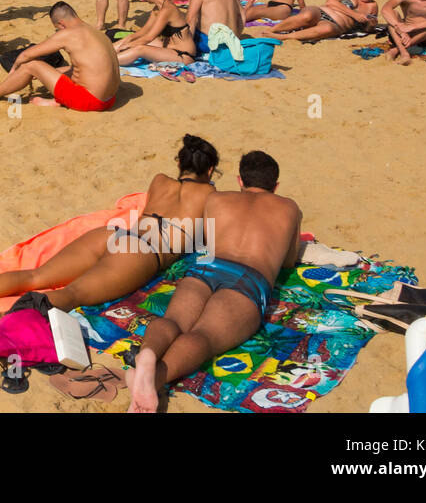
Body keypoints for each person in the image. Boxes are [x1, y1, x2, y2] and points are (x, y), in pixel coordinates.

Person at [0, 134, 219, 323]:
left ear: (179, 162)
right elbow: (211, 245)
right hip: (142, 254)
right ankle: (3, 320)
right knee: (72, 294)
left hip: (114, 236)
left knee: (37, 275)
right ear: (209, 171)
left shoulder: (159, 180)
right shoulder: (212, 197)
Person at [127, 150, 301, 412]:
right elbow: (288, 261)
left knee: (174, 321)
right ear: (275, 186)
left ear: (240, 180)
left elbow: (207, 245)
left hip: (208, 267)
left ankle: (149, 353)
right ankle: (156, 377)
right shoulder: (289, 208)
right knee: (204, 336)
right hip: (248, 279)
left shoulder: (217, 199)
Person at [0, 1, 119, 111]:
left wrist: (14, 70)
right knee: (62, 69)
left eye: (57, 29)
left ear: (61, 24)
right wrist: (48, 73)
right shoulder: (95, 32)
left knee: (31, 65)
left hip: (90, 101)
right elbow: (84, 69)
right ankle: (58, 101)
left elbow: (26, 55)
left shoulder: (68, 33)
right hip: (110, 99)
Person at [261, 0, 383, 42]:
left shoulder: (372, 6)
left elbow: (367, 29)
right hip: (321, 12)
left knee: (327, 29)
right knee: (307, 15)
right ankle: (272, 30)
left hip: (335, 24)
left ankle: (284, 37)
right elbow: (331, 2)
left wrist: (370, 24)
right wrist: (354, 14)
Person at [114, 0, 197, 70]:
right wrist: (127, 40)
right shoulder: (158, 8)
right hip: (169, 48)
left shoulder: (167, 9)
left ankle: (109, 61)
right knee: (132, 39)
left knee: (140, 49)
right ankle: (106, 53)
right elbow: (144, 31)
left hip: (183, 55)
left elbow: (149, 37)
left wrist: (127, 46)